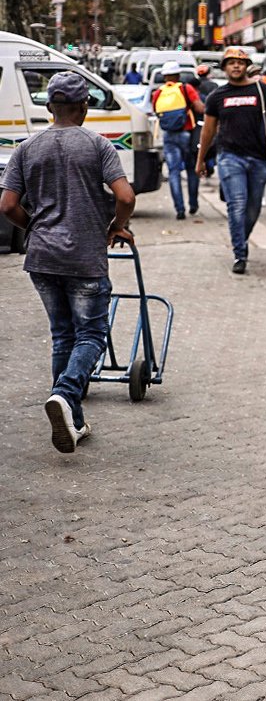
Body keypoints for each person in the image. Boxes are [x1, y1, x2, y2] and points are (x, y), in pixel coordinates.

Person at [0, 72, 136, 453]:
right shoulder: (98, 145)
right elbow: (125, 197)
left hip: (42, 257)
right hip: (84, 257)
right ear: (84, 107)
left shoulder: (27, 148)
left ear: (48, 108)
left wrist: (35, 227)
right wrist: (115, 227)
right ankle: (64, 392)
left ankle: (72, 419)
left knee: (63, 334)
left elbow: (8, 206)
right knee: (91, 334)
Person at [197, 47, 266, 275]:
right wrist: (200, 160)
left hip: (258, 157)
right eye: (231, 63)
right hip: (229, 158)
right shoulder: (217, 97)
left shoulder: (261, 90)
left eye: (240, 63)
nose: (236, 66)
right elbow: (208, 131)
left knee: (253, 208)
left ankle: (240, 238)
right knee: (236, 206)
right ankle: (240, 253)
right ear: (225, 67)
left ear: (246, 66)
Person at [150, 60, 204, 221]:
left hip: (168, 136)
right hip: (187, 133)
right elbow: (199, 107)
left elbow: (155, 111)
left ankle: (179, 209)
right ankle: (193, 204)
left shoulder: (158, 93)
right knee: (191, 169)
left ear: (165, 76)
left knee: (174, 172)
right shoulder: (186, 88)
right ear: (178, 75)